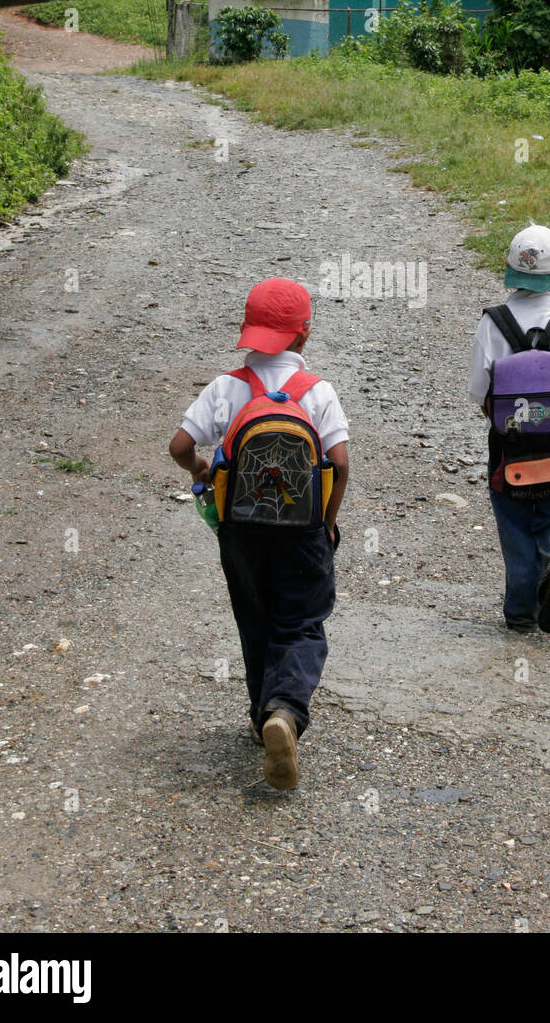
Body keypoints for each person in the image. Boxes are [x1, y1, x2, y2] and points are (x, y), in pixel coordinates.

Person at [169, 278, 349, 790]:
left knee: (255, 618)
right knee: (302, 622)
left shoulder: (226, 388)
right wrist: (328, 522)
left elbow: (179, 445)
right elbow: (340, 462)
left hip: (241, 534)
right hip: (303, 532)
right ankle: (285, 712)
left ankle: (258, 715)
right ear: (304, 335)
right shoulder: (316, 391)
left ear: (248, 332)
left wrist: (201, 471)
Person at [469, 225, 550, 634]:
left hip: (508, 450)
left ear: (507, 269)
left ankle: (522, 612)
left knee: (515, 527)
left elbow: (478, 391)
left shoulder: (493, 324)